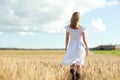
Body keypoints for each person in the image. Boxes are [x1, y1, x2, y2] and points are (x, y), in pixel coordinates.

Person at [61, 12, 88, 80]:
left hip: (71, 45)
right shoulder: (82, 27)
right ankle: (77, 78)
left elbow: (67, 38)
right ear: (79, 18)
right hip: (80, 46)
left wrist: (66, 47)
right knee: (79, 64)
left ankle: (73, 73)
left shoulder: (68, 27)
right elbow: (84, 39)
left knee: (72, 62)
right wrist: (87, 48)